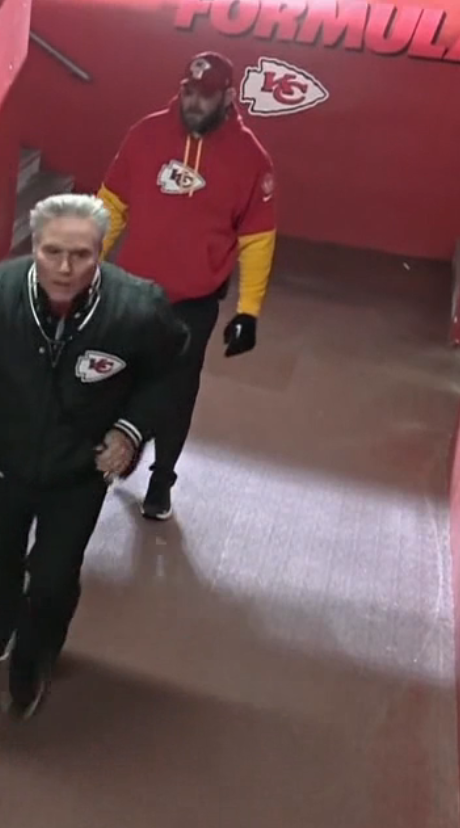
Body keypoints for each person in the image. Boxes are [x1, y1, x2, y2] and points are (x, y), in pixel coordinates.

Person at [0, 193, 190, 719]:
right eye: (52, 251)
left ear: (101, 252)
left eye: (81, 255)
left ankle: (31, 664)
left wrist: (131, 430)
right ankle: (8, 620)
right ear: (33, 246)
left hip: (79, 474)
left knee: (55, 578)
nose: (65, 267)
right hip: (2, 463)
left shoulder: (137, 306)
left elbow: (170, 374)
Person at [95, 51, 278, 521]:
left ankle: (161, 480)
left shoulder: (251, 159)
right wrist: (81, 265)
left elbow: (257, 240)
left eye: (207, 95)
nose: (195, 103)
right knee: (109, 377)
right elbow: (111, 207)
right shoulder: (146, 134)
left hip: (192, 305)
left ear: (229, 97)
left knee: (176, 392)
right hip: (130, 293)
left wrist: (248, 311)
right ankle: (108, 456)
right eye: (189, 92)